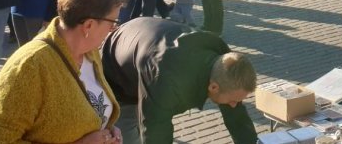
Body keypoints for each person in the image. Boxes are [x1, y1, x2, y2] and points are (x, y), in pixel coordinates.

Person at [0, 0, 126, 143]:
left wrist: (106, 127)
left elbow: (87, 109)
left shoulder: (89, 52)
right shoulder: (30, 66)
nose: (113, 30)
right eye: (113, 23)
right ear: (88, 25)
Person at [102, 17, 258, 144]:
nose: (234, 105)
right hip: (117, 73)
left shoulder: (224, 62)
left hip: (145, 45)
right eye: (233, 100)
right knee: (128, 137)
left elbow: (237, 119)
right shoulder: (166, 81)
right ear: (214, 87)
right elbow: (156, 132)